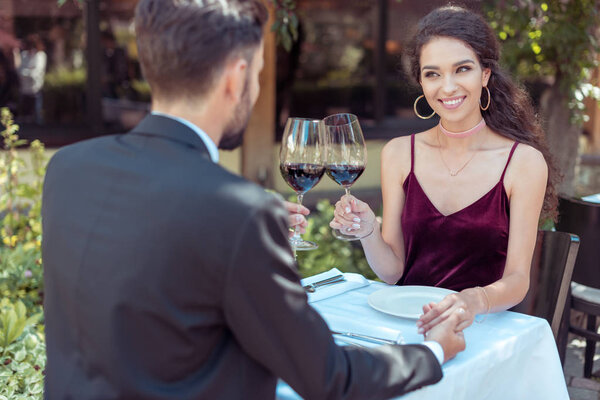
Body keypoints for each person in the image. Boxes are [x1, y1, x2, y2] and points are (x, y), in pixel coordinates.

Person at [41, 1, 465, 399]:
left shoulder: (69, 169)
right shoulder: (238, 213)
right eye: (259, 73)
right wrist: (433, 351)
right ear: (235, 76)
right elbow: (328, 377)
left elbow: (139, 298)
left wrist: (239, 228)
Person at [330, 6, 555, 335]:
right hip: (405, 327)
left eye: (462, 69)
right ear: (421, 81)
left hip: (480, 327)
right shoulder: (398, 153)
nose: (447, 87)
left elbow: (518, 280)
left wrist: (472, 302)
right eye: (433, 74)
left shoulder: (523, 163)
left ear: (485, 74)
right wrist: (367, 230)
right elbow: (393, 272)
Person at [16, 34, 46, 124]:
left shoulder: (40, 55)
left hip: (36, 87)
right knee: (24, 113)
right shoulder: (24, 55)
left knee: (37, 113)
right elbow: (19, 70)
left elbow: (37, 72)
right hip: (24, 88)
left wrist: (27, 72)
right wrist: (29, 71)